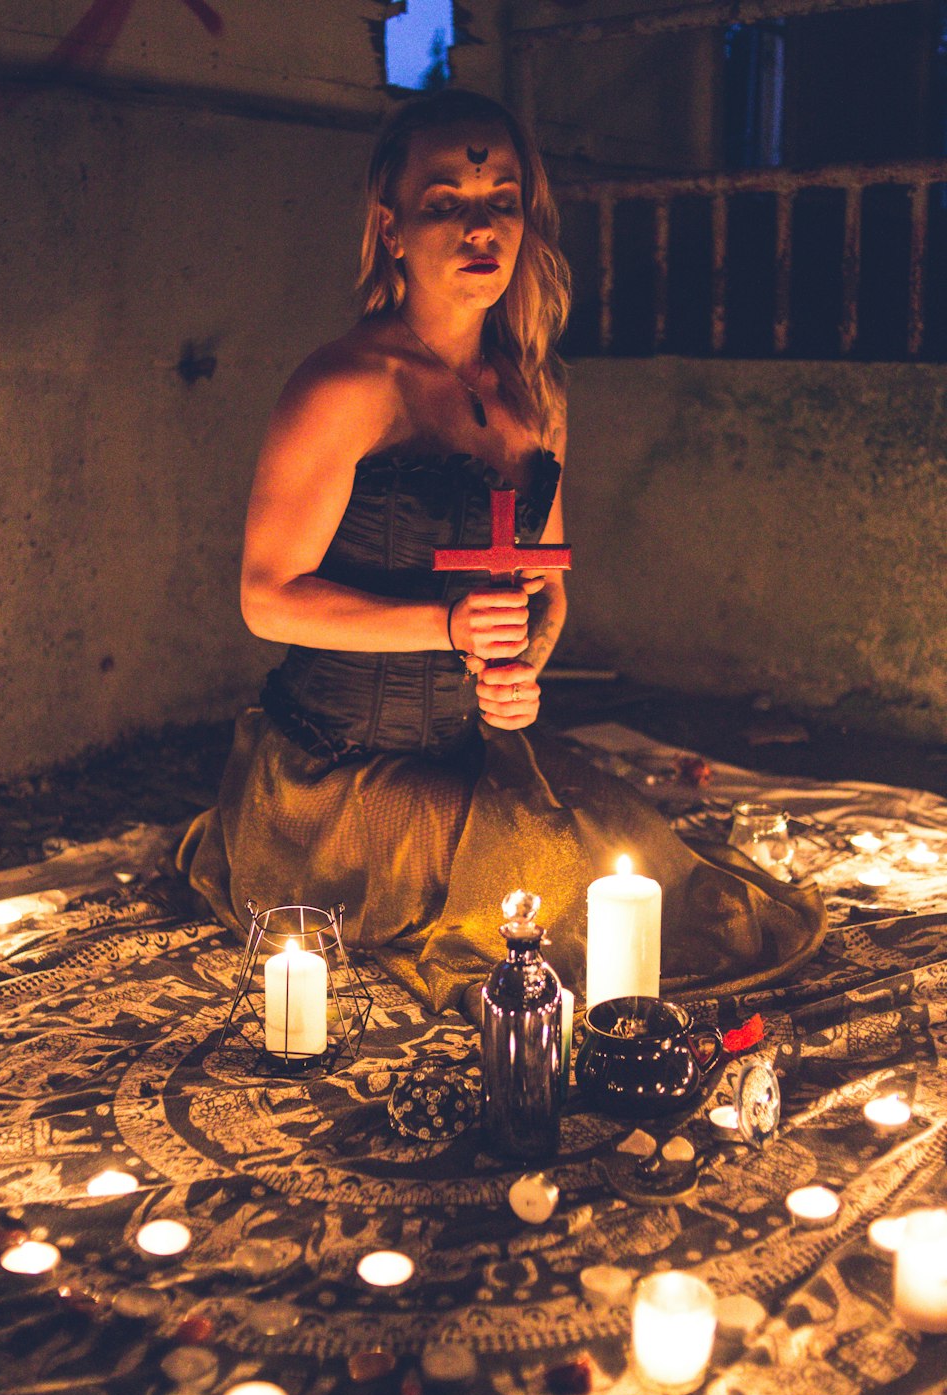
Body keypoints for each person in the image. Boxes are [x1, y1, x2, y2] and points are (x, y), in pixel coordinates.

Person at [178, 88, 826, 1016]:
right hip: (337, 772)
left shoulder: (534, 389)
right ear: (391, 226)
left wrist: (521, 667)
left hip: (469, 744)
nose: (480, 228)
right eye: (446, 203)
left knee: (643, 865)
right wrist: (444, 624)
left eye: (503, 202)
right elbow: (266, 598)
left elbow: (546, 588)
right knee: (549, 898)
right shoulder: (345, 384)